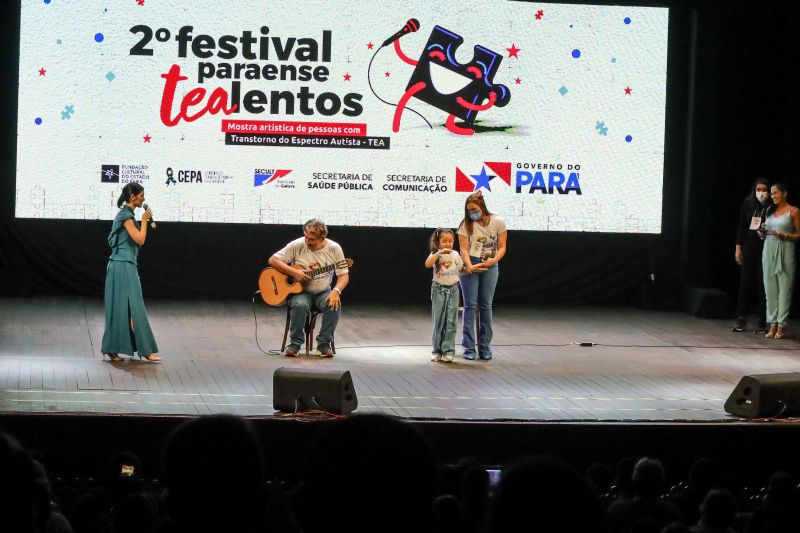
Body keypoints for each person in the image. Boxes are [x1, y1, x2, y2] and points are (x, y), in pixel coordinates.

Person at [268, 218, 349, 357]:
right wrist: (294, 273)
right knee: (300, 305)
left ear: (322, 238)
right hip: (301, 293)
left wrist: (336, 291)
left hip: (323, 292)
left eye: (312, 239)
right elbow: (273, 260)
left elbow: (344, 275)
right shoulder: (298, 244)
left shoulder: (334, 248)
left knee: (334, 304)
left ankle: (323, 344)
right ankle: (295, 344)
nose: (307, 241)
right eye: (306, 237)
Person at [101, 183, 160, 362]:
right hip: (122, 266)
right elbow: (140, 239)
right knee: (131, 307)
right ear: (132, 197)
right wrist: (145, 220)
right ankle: (140, 350)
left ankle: (138, 349)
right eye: (141, 195)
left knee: (129, 308)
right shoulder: (126, 217)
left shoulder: (127, 216)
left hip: (124, 264)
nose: (143, 198)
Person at [457, 191, 507, 360]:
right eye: (469, 210)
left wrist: (493, 261)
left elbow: (502, 247)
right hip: (471, 263)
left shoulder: (498, 221)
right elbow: (463, 249)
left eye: (474, 209)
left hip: (490, 265)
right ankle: (469, 348)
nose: (472, 213)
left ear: (482, 207)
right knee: (470, 306)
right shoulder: (465, 224)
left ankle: (485, 347)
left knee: (486, 306)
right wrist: (470, 266)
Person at [760, 183, 799, 339]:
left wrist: (785, 235)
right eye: (771, 193)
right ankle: (772, 323)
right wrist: (762, 233)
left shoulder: (793, 211)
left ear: (784, 193)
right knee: (770, 289)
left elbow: (799, 234)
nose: (773, 196)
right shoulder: (769, 210)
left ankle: (781, 325)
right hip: (768, 249)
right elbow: (766, 230)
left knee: (784, 289)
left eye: (776, 193)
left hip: (785, 250)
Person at [732, 178, 771, 332]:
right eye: (758, 189)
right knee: (745, 282)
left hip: (766, 247)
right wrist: (738, 247)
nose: (761, 193)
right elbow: (742, 226)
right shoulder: (748, 203)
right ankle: (741, 318)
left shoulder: (772, 206)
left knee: (763, 283)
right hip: (749, 247)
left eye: (764, 190)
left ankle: (762, 319)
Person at [425, 228, 463, 363]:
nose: (448, 244)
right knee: (438, 321)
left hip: (453, 289)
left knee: (451, 321)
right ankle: (436, 351)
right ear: (438, 242)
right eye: (444, 241)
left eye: (450, 241)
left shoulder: (455, 254)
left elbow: (461, 268)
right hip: (438, 289)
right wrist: (438, 252)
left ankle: (448, 351)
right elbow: (427, 264)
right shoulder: (436, 254)